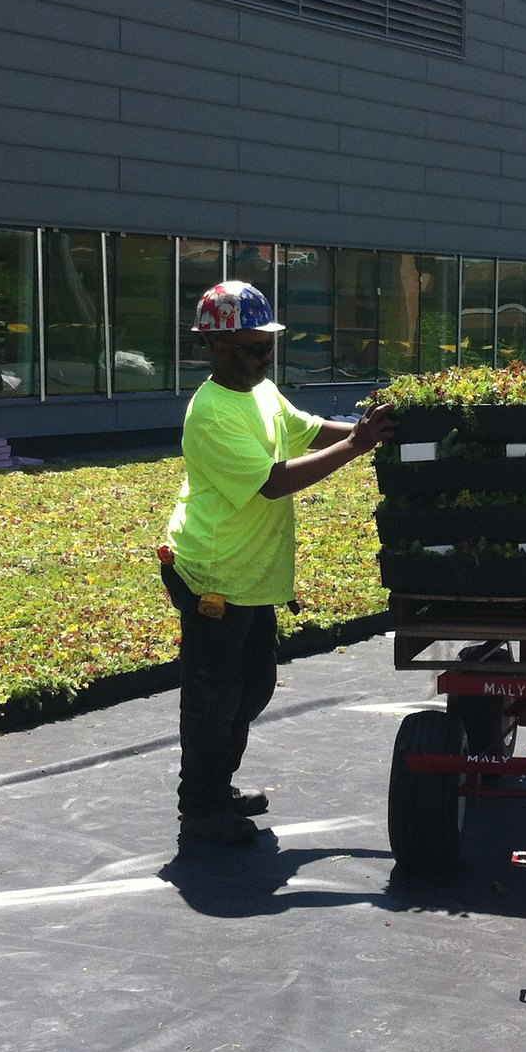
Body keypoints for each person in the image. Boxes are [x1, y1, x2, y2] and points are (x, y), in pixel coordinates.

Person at [160, 280, 395, 846]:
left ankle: (218, 789)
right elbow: (273, 482)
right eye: (253, 345)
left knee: (254, 685)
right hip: (213, 575)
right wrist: (358, 447)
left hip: (251, 576)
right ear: (218, 347)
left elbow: (309, 431)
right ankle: (200, 809)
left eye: (269, 343)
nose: (266, 355)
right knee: (214, 696)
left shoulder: (260, 393)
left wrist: (374, 435)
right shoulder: (212, 412)